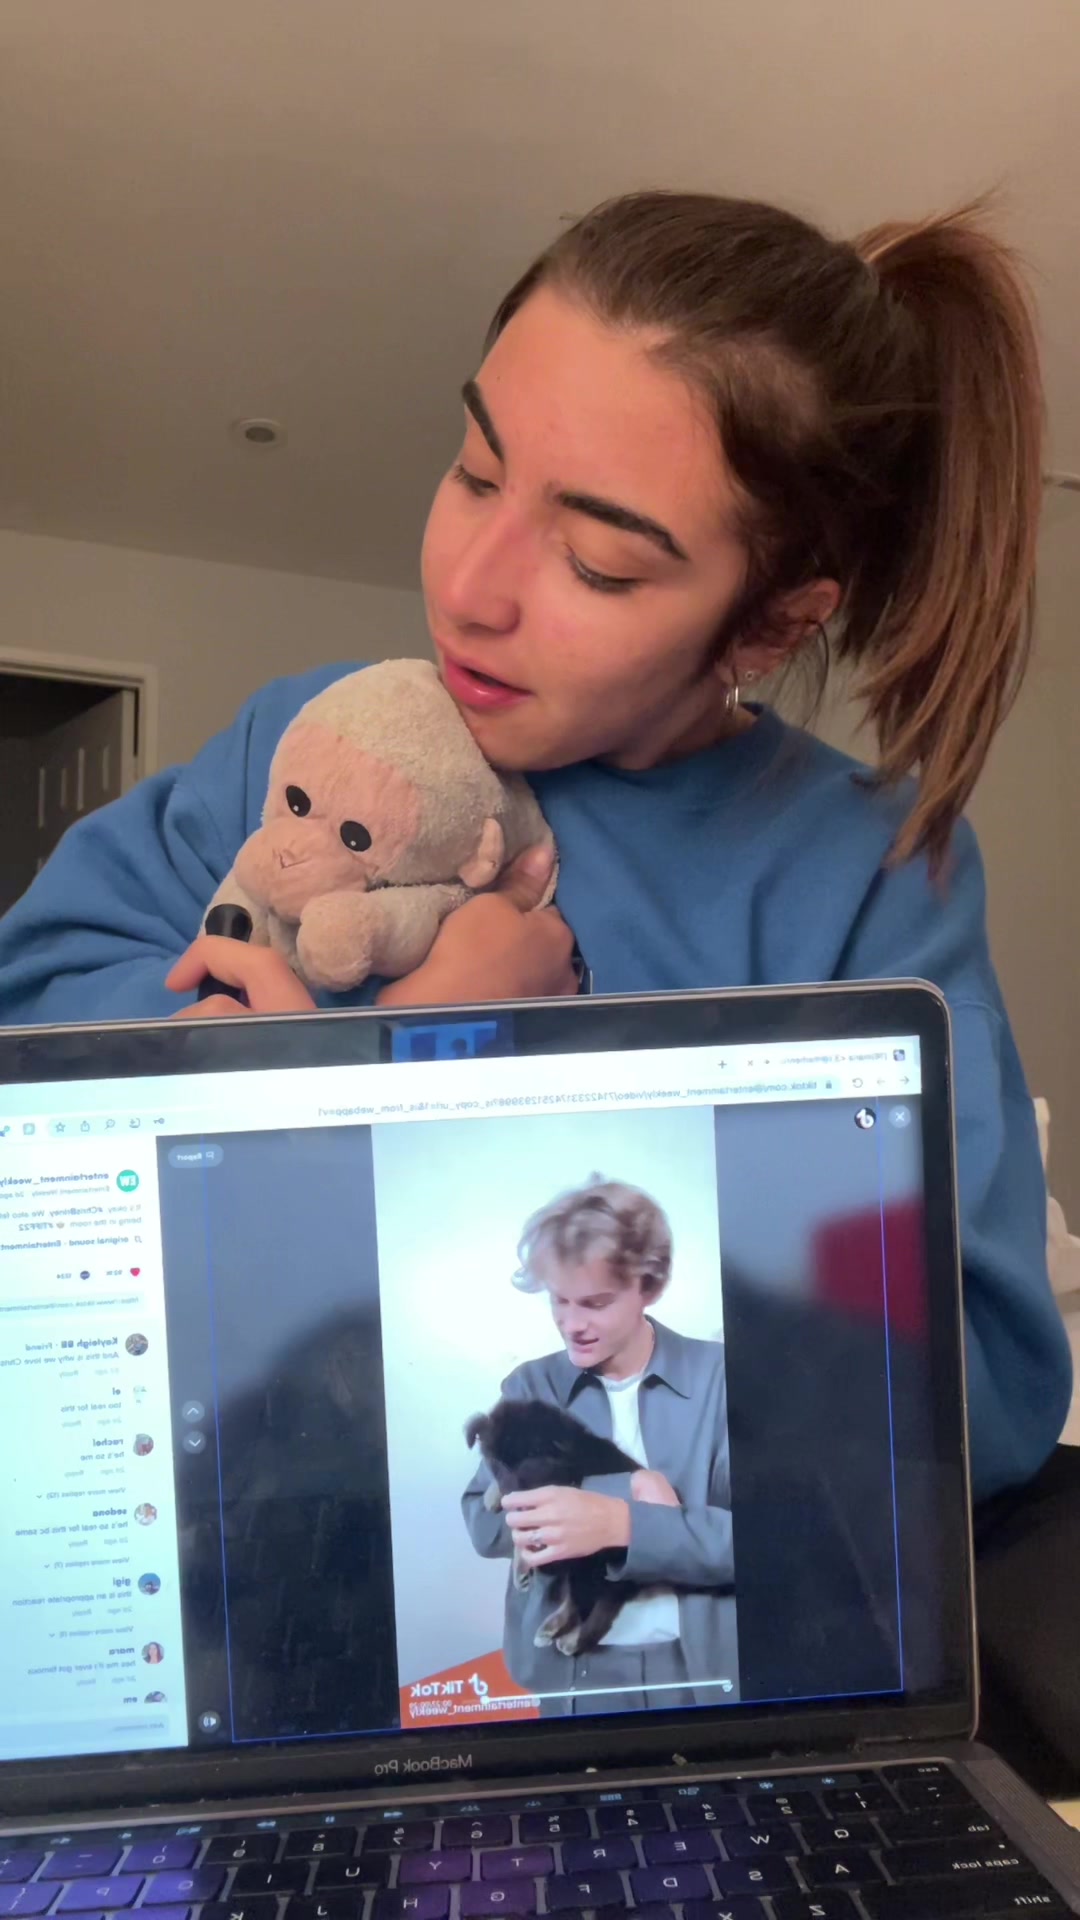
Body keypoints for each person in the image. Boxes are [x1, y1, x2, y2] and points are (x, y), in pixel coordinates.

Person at [0, 189, 1069, 1508]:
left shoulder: (874, 879)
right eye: (473, 471)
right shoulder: (323, 732)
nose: (467, 590)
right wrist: (348, 1046)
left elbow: (982, 1393)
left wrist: (485, 1070)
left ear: (772, 626)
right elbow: (33, 1003)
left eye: (599, 564)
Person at [462, 1178, 734, 1715]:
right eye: (559, 1301)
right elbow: (485, 1527)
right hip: (571, 1682)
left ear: (649, 1286)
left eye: (595, 1303)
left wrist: (623, 1525)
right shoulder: (530, 1386)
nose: (572, 1324)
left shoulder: (723, 1379)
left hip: (705, 1676)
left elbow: (771, 1540)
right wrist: (626, 1489)